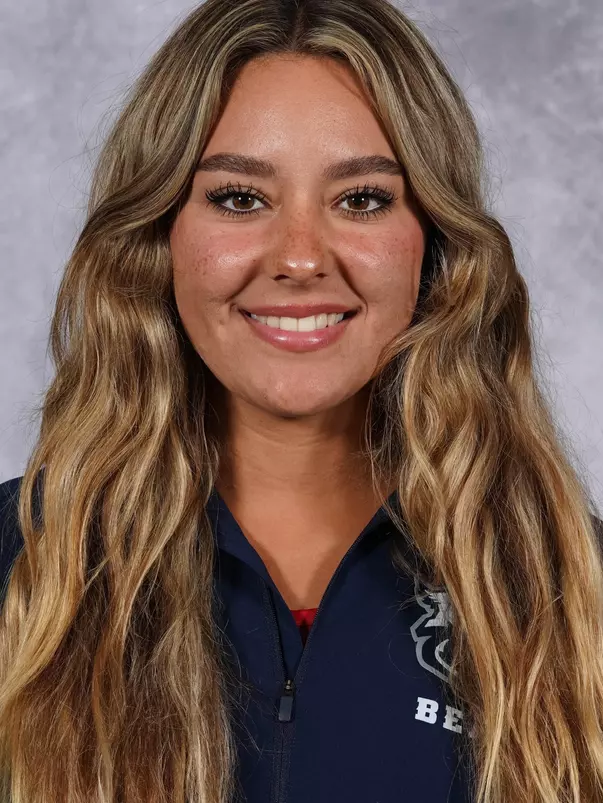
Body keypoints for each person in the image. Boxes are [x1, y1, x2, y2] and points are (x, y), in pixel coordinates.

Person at [1, 0, 602, 801]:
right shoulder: (22, 566)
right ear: (157, 237)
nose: (298, 258)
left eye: (360, 199)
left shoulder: (573, 591)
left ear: (434, 242)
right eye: (239, 198)